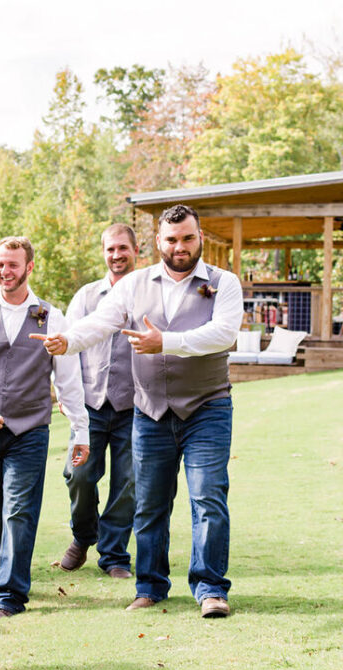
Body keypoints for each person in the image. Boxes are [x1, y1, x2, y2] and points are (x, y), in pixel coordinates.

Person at [34, 204, 243, 618]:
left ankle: (210, 589)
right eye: (171, 239)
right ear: (158, 243)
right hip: (149, 411)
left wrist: (165, 342)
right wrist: (67, 340)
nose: (180, 246)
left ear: (200, 237)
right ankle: (150, 586)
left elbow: (223, 334)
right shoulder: (133, 284)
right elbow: (103, 321)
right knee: (149, 503)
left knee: (208, 498)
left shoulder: (224, 283)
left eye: (187, 238)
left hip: (207, 407)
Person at [0, 237, 89, 619]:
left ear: (29, 268)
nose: (4, 272)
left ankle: (9, 594)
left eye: (12, 265)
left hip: (30, 430)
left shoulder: (51, 316)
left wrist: (81, 430)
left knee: (19, 511)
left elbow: (68, 379)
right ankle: (2, 566)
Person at [56, 224, 139, 579]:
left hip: (135, 407)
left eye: (123, 248)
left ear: (136, 250)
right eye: (110, 249)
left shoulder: (148, 293)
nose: (117, 255)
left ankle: (115, 554)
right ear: (103, 252)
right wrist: (63, 394)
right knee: (79, 474)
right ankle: (83, 535)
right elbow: (64, 347)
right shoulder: (86, 297)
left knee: (130, 481)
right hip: (89, 406)